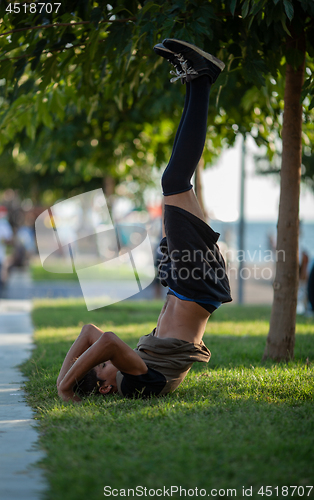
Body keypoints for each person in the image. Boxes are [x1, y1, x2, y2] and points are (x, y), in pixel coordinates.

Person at [57, 39, 232, 402]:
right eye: (103, 367)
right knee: (174, 181)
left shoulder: (130, 373)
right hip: (195, 282)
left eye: (104, 363)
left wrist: (68, 378)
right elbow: (104, 341)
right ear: (106, 385)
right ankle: (200, 81)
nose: (108, 360)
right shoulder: (138, 384)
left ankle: (196, 79)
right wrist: (66, 386)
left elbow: (90, 331)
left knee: (174, 180)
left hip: (187, 281)